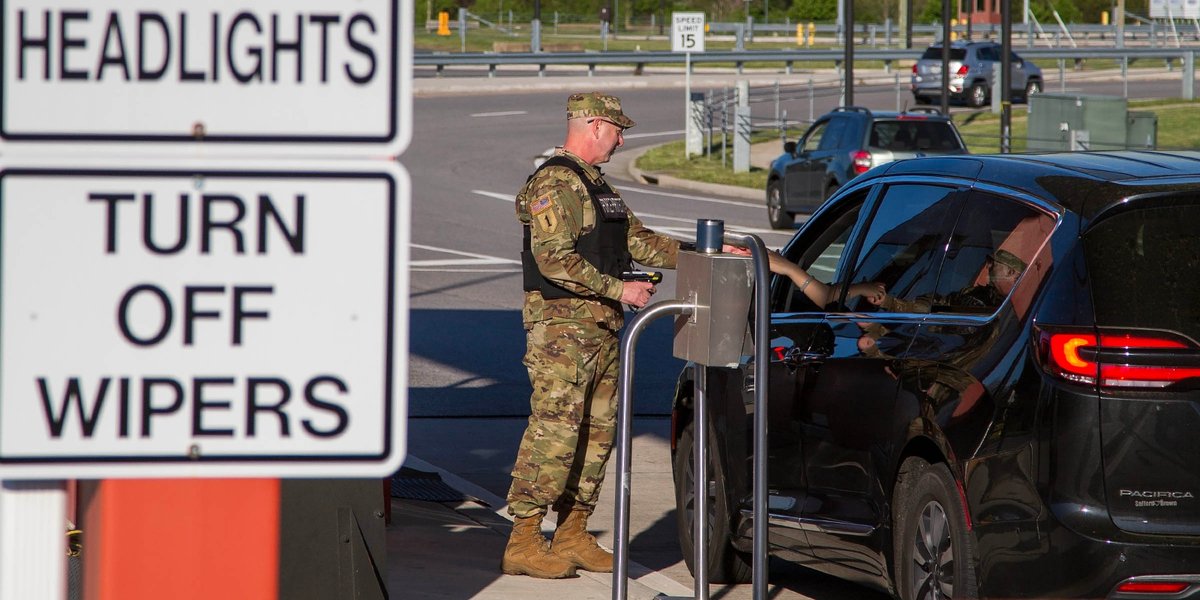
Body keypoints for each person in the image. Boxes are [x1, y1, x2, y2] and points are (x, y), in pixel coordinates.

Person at [505, 92, 738, 579]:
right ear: (593, 125)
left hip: (601, 328)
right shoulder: (555, 183)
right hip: (561, 333)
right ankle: (524, 538)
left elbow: (640, 240)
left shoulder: (597, 187)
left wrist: (706, 253)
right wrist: (620, 288)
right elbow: (553, 259)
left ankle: (571, 531)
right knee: (555, 433)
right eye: (617, 130)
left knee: (597, 435)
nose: (622, 139)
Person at [868, 249, 1026, 313]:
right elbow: (937, 306)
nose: (988, 266)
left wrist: (889, 303)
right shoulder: (1018, 303)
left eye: (993, 264)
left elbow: (934, 313)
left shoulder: (983, 302)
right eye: (1011, 271)